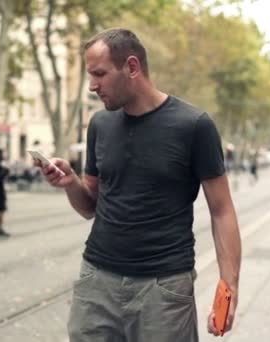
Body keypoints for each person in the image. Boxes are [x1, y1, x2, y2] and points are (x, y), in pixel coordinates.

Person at [36, 28, 241, 341]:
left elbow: (222, 211)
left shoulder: (193, 125)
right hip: (96, 281)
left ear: (132, 67)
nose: (92, 86)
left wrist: (229, 287)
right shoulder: (100, 124)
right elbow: (90, 206)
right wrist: (71, 183)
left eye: (99, 74)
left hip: (163, 287)